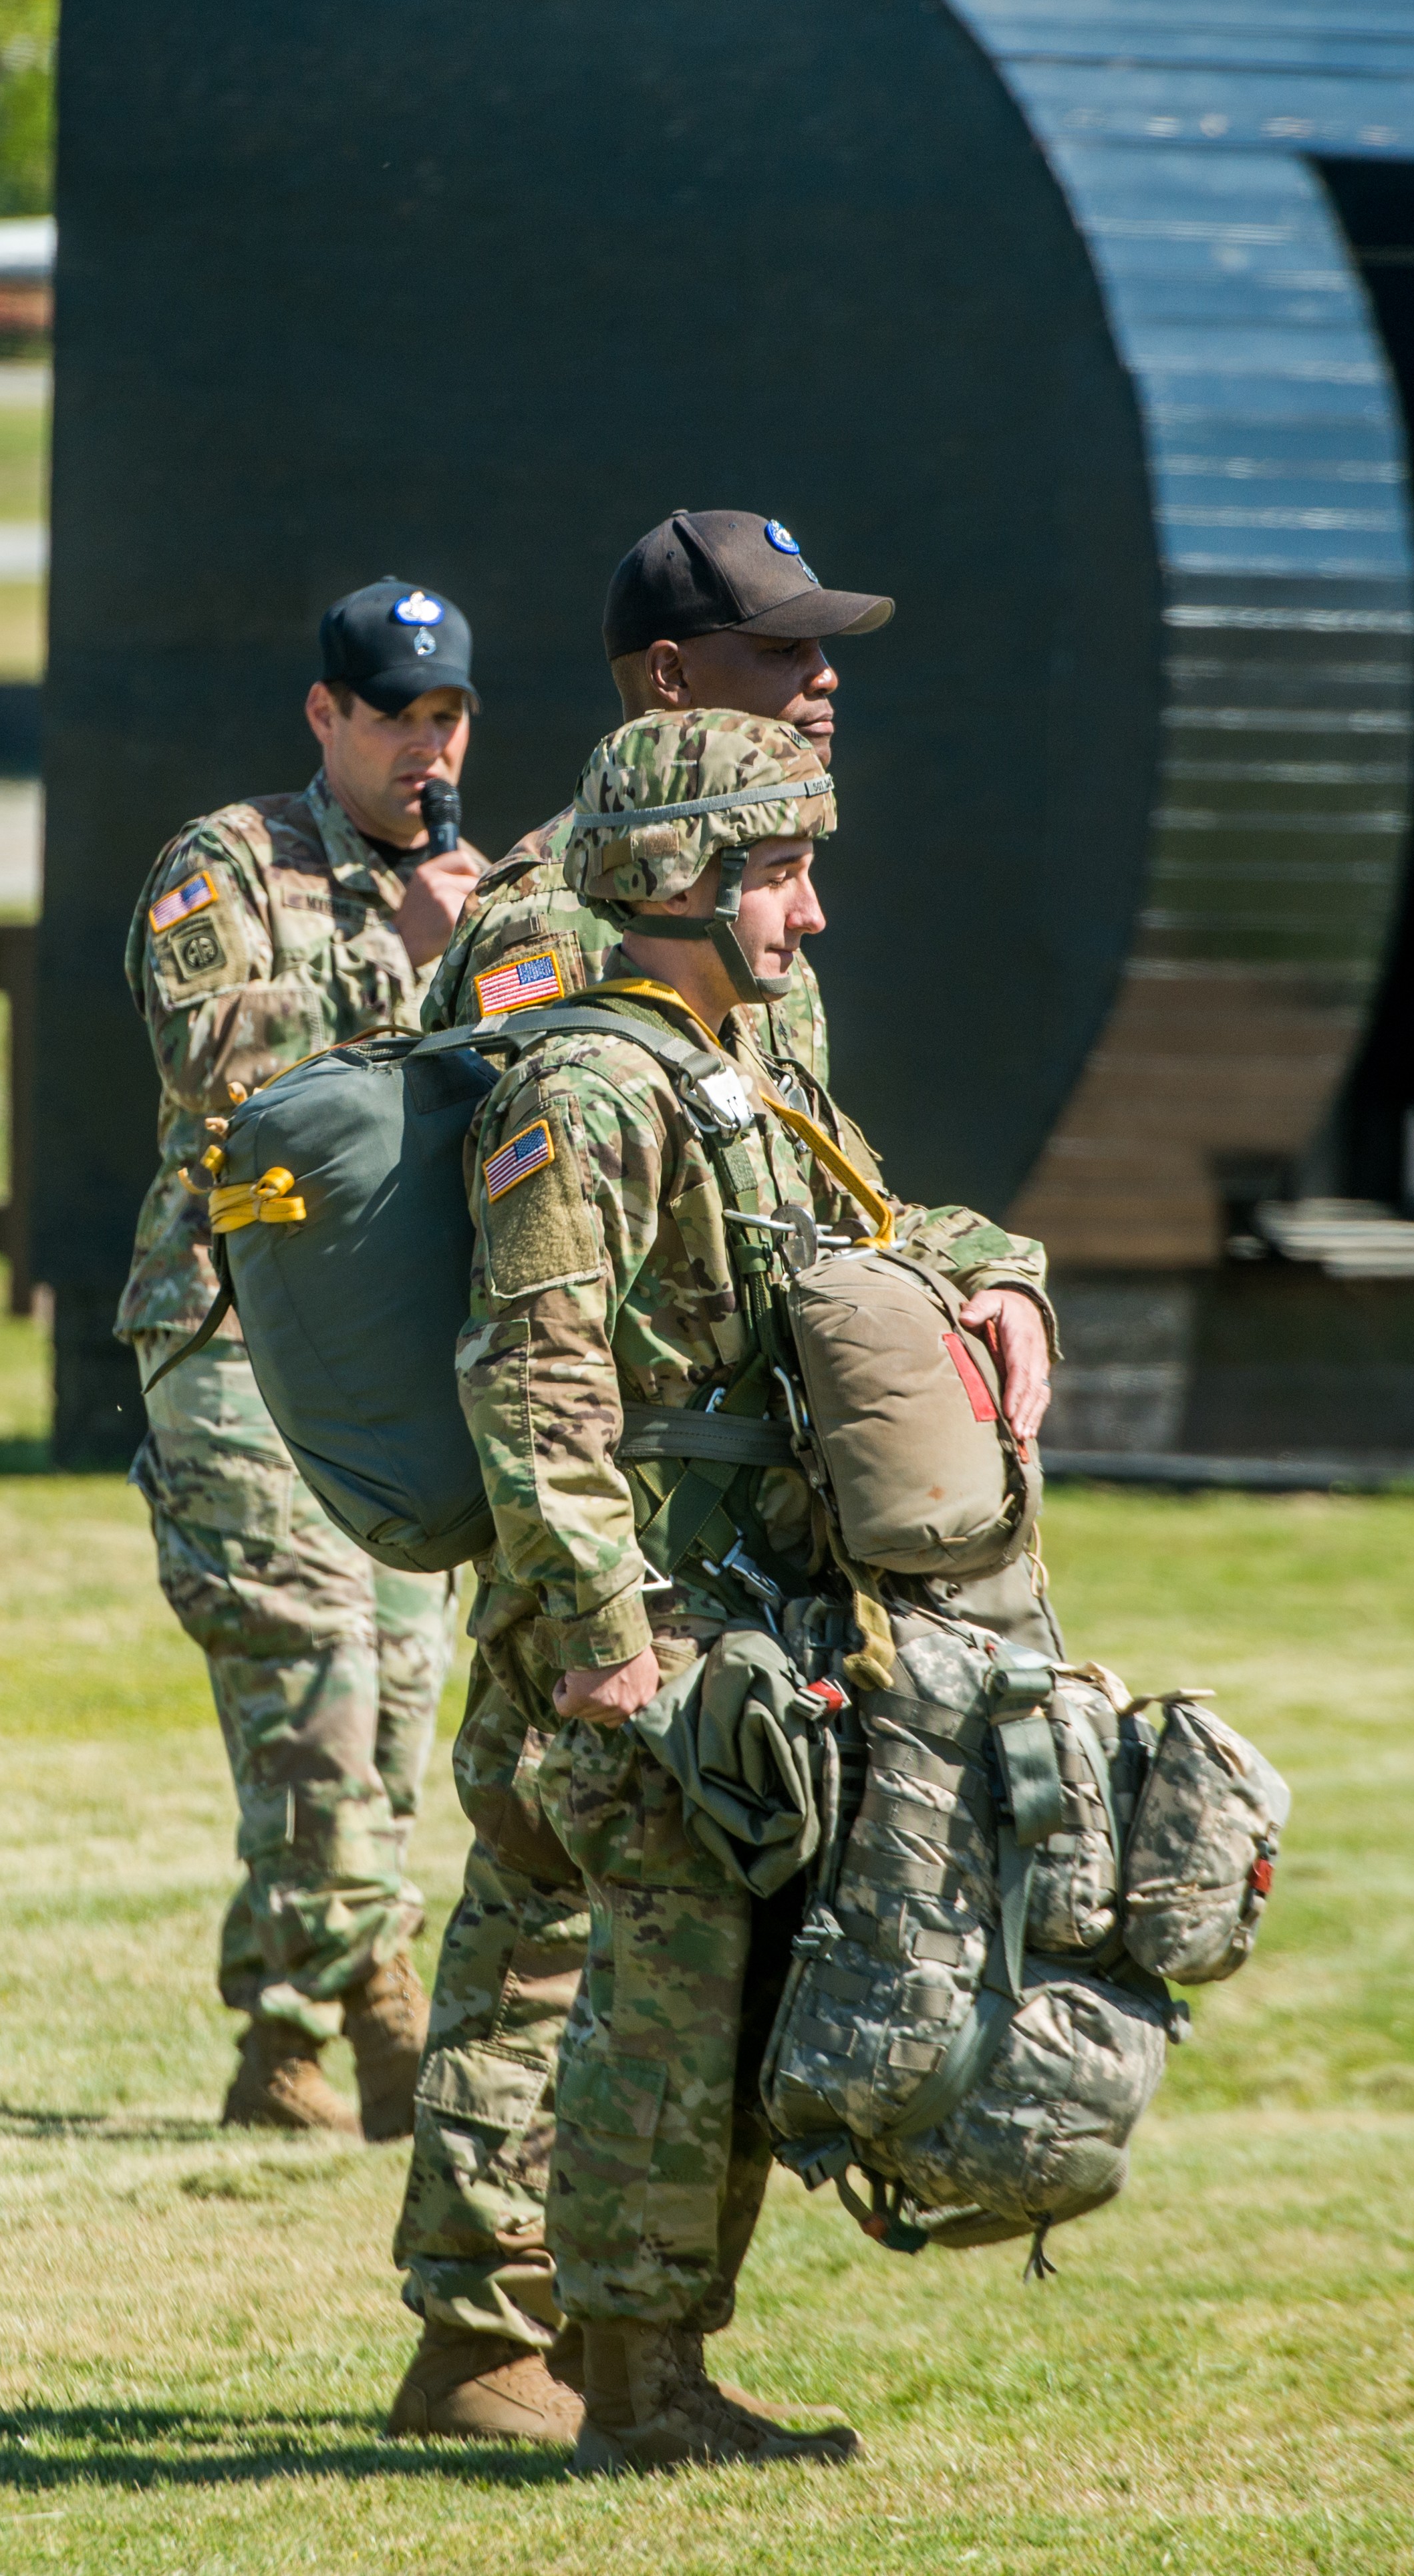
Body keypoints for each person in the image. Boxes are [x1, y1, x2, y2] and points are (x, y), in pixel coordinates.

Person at [396, 710, 1058, 2469]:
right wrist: (607, 1650)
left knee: (729, 1986)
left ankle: (654, 2359)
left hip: (736, 1616)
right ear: (681, 876)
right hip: (641, 1630)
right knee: (668, 2001)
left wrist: (1005, 1281)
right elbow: (532, 1380)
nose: (809, 912)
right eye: (777, 872)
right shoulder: (589, 1088)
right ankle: (635, 2382)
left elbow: (873, 1223)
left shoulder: (728, 1067)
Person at [383, 512, 895, 2441]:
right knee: (561, 1927)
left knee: (643, 1936)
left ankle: (581, 2335)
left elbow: (810, 1178)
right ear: (672, 690)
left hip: (723, 1538)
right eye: (781, 658)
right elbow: (546, 1294)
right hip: (597, 1538)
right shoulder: (560, 937)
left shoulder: (753, 921)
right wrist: (592, 1590)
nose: (820, 683)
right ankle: (501, 2330)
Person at [113, 577, 492, 2134]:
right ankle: (386, 2001)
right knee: (313, 1672)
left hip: (393, 1346)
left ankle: (279, 2036)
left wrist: (484, 950)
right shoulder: (230, 861)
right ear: (323, 716)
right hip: (229, 1320)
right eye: (392, 714)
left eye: (446, 715)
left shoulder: (480, 881)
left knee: (397, 1694)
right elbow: (200, 1052)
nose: (422, 745)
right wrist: (385, 954)